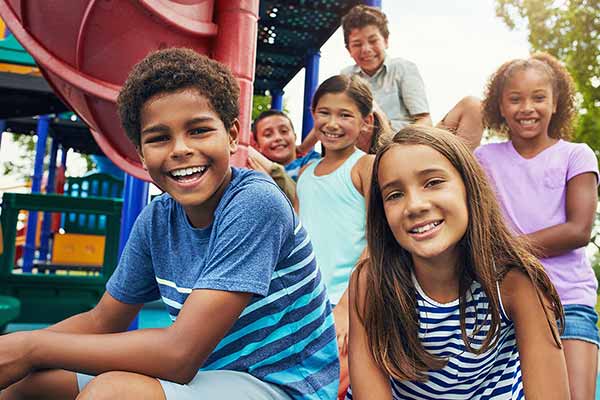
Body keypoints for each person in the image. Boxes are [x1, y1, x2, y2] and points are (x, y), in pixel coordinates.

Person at [0, 48, 339, 400]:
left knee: (113, 394)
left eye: (199, 130)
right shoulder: (157, 220)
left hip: (286, 387)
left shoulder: (255, 203)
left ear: (233, 135)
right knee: (25, 385)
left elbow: (179, 355)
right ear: (141, 154)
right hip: (213, 376)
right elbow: (103, 321)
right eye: (159, 138)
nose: (180, 149)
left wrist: (30, 348)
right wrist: (12, 354)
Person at [347, 125, 569, 399]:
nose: (415, 205)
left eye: (433, 182)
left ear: (469, 187)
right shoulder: (371, 283)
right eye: (395, 194)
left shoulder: (517, 282)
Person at [476, 52, 599, 400]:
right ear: (500, 106)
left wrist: (505, 250)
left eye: (538, 97)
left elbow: (577, 230)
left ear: (555, 102)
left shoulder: (576, 155)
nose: (526, 107)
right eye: (514, 99)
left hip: (568, 299)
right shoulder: (484, 160)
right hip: (506, 302)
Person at [297, 5, 483, 153]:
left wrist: (399, 141)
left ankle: (457, 169)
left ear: (386, 41)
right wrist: (303, 148)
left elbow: (424, 120)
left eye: (373, 41)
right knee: (359, 113)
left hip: (409, 141)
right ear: (348, 50)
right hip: (366, 142)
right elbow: (331, 117)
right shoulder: (347, 76)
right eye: (357, 44)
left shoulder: (402, 68)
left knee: (473, 105)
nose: (366, 49)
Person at [295, 74, 375, 398]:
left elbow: (377, 242)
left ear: (365, 121)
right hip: (305, 302)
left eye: (345, 115)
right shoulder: (305, 173)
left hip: (346, 302)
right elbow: (295, 241)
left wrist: (346, 308)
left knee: (331, 389)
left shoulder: (365, 166)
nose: (333, 123)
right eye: (324, 113)